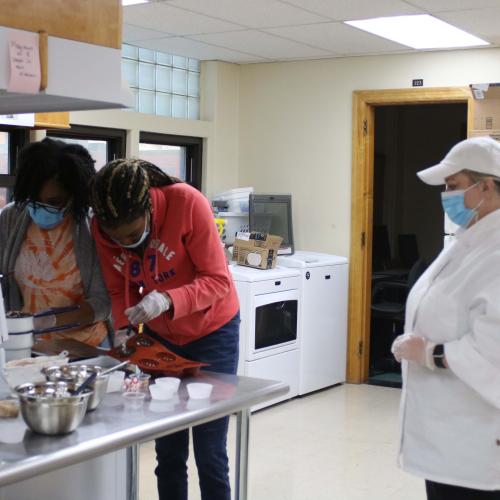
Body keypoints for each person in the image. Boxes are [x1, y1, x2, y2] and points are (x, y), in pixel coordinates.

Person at [89, 158, 240, 500]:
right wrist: (125, 328)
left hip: (213, 330)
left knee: (210, 450)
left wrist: (168, 300)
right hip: (160, 338)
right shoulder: (101, 228)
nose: (124, 243)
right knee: (168, 449)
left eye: (130, 233)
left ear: (148, 209)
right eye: (116, 237)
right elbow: (116, 288)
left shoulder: (187, 203)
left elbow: (217, 281)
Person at [391, 136, 500, 500]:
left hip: (478, 444)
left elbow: (493, 352)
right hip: (448, 438)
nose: (446, 196)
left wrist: (431, 353)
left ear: (486, 186)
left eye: (453, 186)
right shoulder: (468, 238)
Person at [0, 137, 110, 346]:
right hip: (27, 344)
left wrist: (50, 321)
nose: (41, 208)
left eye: (53, 202)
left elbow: (103, 302)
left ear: (73, 195)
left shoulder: (92, 226)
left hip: (84, 346)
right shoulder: (10, 218)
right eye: (34, 198)